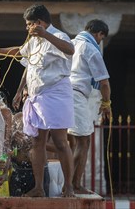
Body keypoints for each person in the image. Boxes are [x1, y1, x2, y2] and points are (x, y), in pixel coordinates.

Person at [0, 4, 75, 197]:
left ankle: (70, 188)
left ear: (39, 23)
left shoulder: (58, 36)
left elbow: (70, 49)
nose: (27, 28)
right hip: (36, 96)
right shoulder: (33, 41)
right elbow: (21, 54)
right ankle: (39, 187)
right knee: (37, 142)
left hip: (56, 94)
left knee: (60, 142)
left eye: (29, 24)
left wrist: (45, 34)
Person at [67, 19, 111, 194]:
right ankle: (73, 184)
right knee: (84, 141)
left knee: (70, 142)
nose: (101, 41)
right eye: (101, 37)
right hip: (76, 94)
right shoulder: (91, 48)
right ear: (98, 34)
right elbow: (104, 83)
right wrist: (106, 103)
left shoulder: (69, 43)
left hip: (63, 93)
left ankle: (70, 183)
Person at [9, 112, 50, 197]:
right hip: (17, 169)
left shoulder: (47, 117)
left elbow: (60, 147)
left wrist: (36, 143)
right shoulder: (17, 117)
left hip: (40, 172)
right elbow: (8, 146)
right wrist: (13, 139)